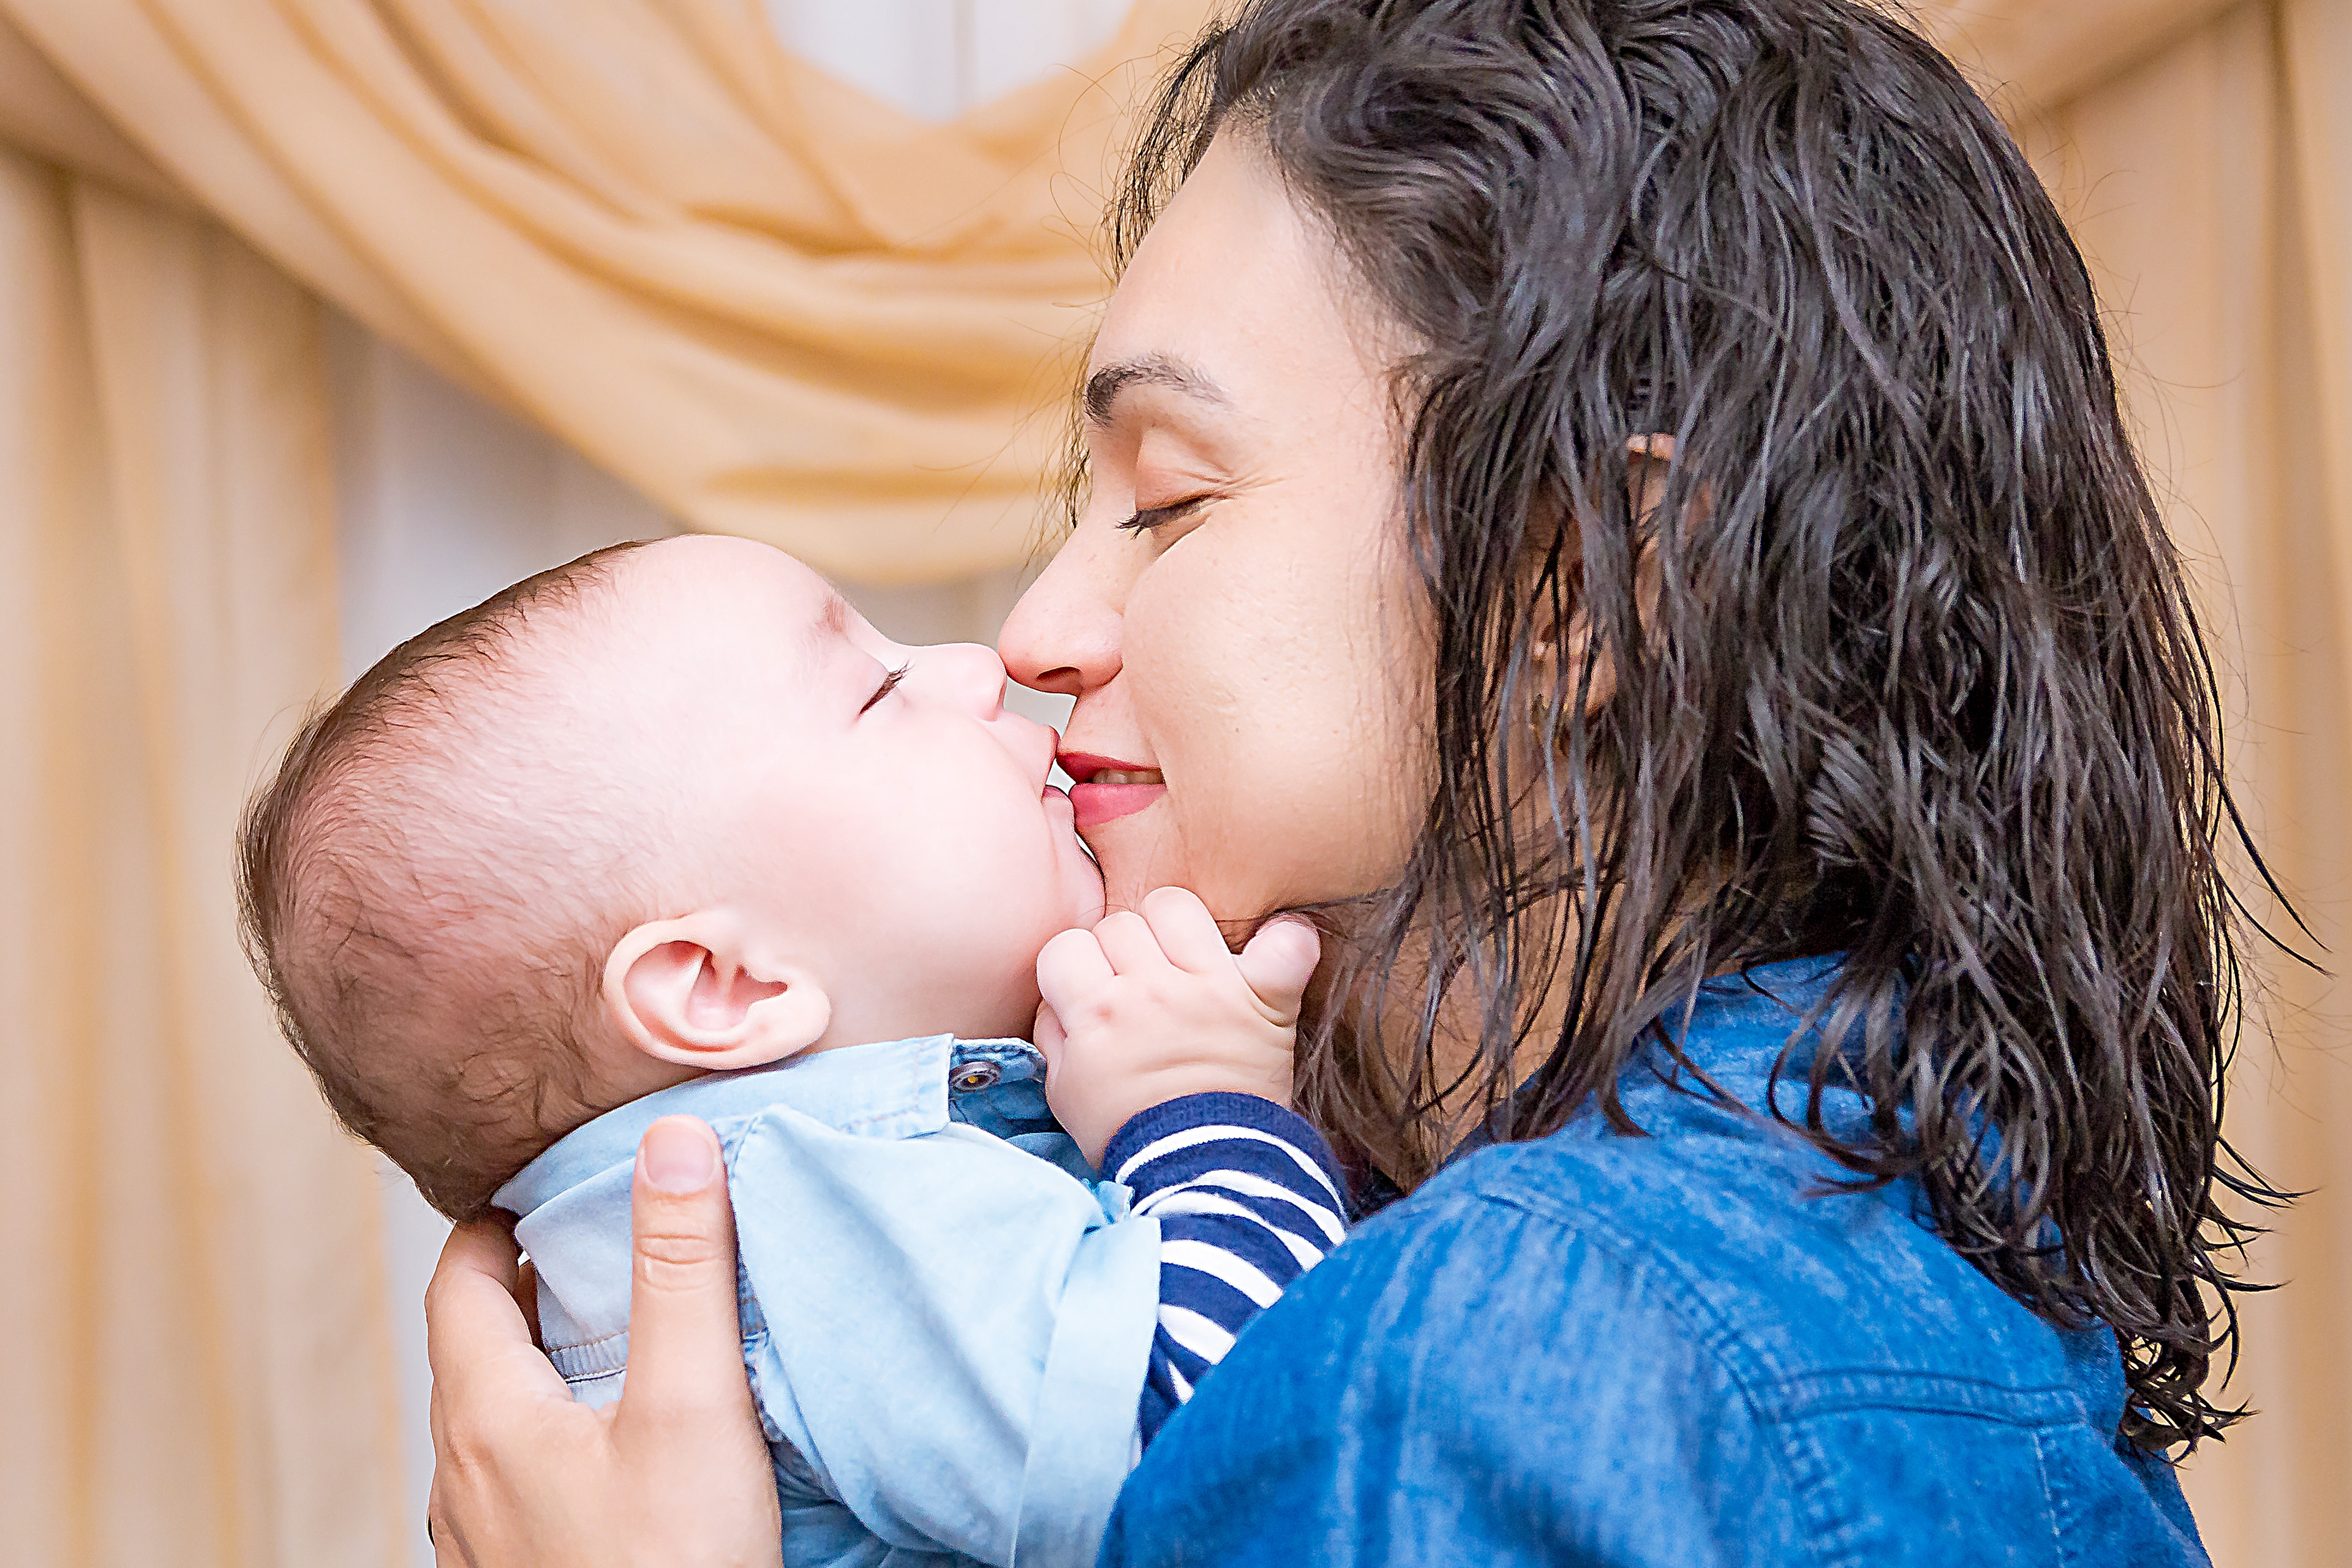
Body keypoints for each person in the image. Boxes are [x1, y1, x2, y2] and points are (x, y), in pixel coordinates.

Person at [420, 1, 2282, 1562]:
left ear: (1580, 585)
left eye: (1169, 498)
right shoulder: (1931, 1251)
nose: (1035, 632)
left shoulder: (1463, 1369)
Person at [235, 535, 1346, 1566]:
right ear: (726, 987)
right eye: (877, 693)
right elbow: (1223, 1451)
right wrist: (1206, 1113)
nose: (971, 664)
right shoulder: (821, 1201)